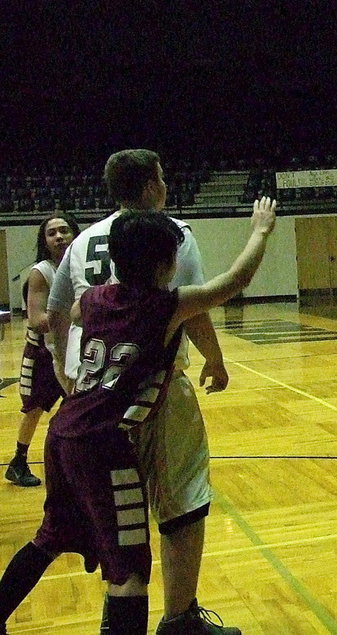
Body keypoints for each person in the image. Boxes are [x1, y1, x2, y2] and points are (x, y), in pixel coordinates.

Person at [0, 199, 276, 635]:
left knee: (51, 534)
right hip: (104, 445)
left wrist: (63, 361)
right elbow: (235, 281)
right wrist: (260, 232)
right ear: (167, 263)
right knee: (129, 567)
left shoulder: (91, 299)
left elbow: (65, 314)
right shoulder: (165, 305)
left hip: (63, 432)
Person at [46, 150, 235, 632]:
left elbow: (56, 311)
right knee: (183, 500)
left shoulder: (84, 236)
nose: (166, 186)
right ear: (151, 186)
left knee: (120, 516)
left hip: (94, 394)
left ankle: (118, 617)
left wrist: (66, 371)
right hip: (156, 389)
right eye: (163, 178)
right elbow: (190, 308)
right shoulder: (170, 232)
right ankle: (179, 617)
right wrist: (214, 359)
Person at [5, 212, 80, 487]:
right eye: (52, 233)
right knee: (34, 409)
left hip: (74, 350)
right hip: (43, 354)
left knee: (78, 406)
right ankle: (18, 462)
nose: (59, 236)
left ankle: (72, 459)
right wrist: (78, 311)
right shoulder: (41, 272)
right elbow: (38, 322)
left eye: (64, 231)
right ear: (45, 241)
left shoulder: (83, 266)